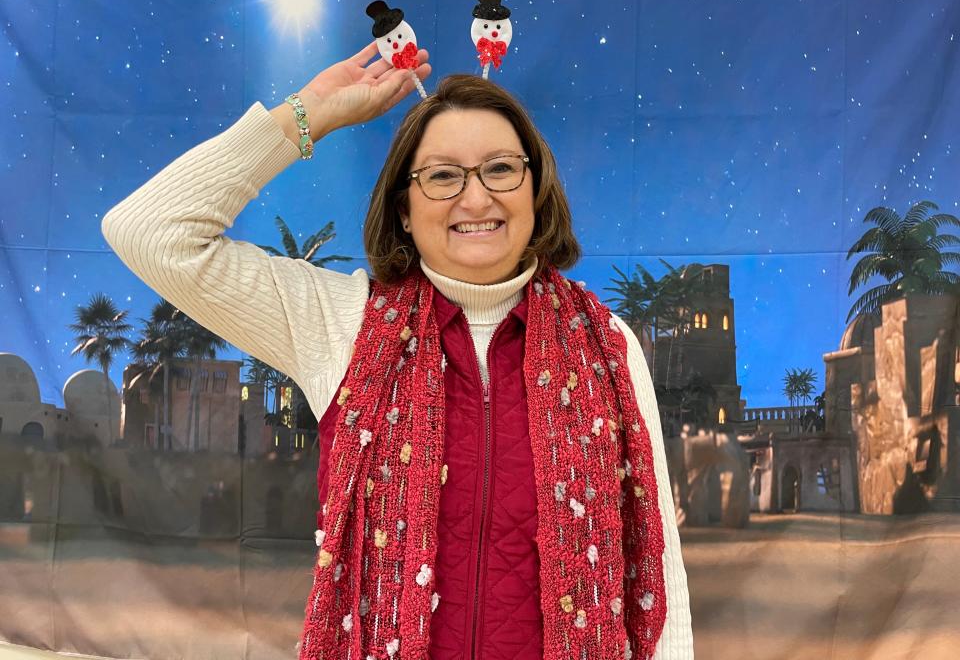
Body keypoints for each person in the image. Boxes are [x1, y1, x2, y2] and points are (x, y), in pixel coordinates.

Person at [101, 41, 693, 660]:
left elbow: (658, 573)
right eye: (441, 175)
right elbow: (147, 230)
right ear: (404, 211)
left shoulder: (606, 343)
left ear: (535, 188)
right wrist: (309, 114)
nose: (475, 197)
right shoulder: (341, 322)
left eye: (500, 168)